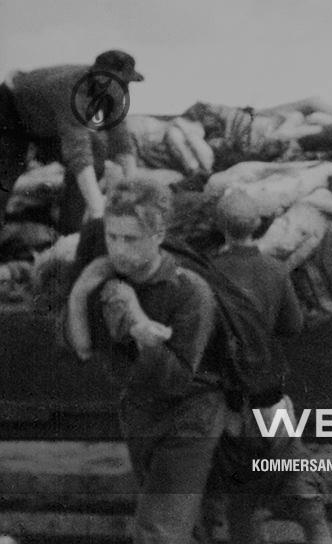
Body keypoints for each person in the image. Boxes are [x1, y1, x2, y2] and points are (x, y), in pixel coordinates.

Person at [67, 177, 227, 543]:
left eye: (131, 239)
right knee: (180, 527)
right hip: (140, 415)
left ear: (158, 236)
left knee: (157, 531)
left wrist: (139, 323)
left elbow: (177, 379)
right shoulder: (105, 275)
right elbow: (82, 349)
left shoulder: (190, 291)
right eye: (113, 237)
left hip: (190, 416)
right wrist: (80, 292)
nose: (119, 250)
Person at [203, 189, 332, 544]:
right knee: (299, 482)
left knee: (241, 497)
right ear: (258, 224)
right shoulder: (274, 270)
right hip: (268, 397)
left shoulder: (209, 272)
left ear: (220, 225)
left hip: (227, 403)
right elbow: (292, 326)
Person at [0, 50, 144, 232]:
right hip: (11, 109)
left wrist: (135, 190)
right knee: (6, 172)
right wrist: (98, 210)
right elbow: (78, 152)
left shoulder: (114, 90)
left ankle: (70, 231)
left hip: (47, 119)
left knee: (97, 151)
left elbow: (120, 136)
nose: (125, 88)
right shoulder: (71, 90)